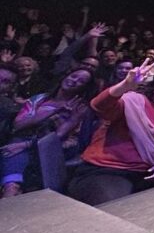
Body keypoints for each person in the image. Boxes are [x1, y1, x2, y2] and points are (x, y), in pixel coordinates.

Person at [68, 60, 154, 205]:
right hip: (108, 170)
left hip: (148, 173)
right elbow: (99, 106)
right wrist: (124, 86)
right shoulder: (133, 102)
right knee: (120, 206)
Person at [1, 68, 95, 197]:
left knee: (19, 151)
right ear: (66, 76)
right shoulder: (39, 99)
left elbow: (59, 135)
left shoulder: (79, 107)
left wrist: (26, 145)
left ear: (84, 87)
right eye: (74, 76)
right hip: (25, 138)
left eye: (81, 81)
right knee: (11, 148)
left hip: (57, 145)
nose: (74, 81)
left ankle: (12, 189)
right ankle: (12, 187)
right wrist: (53, 110)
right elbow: (18, 124)